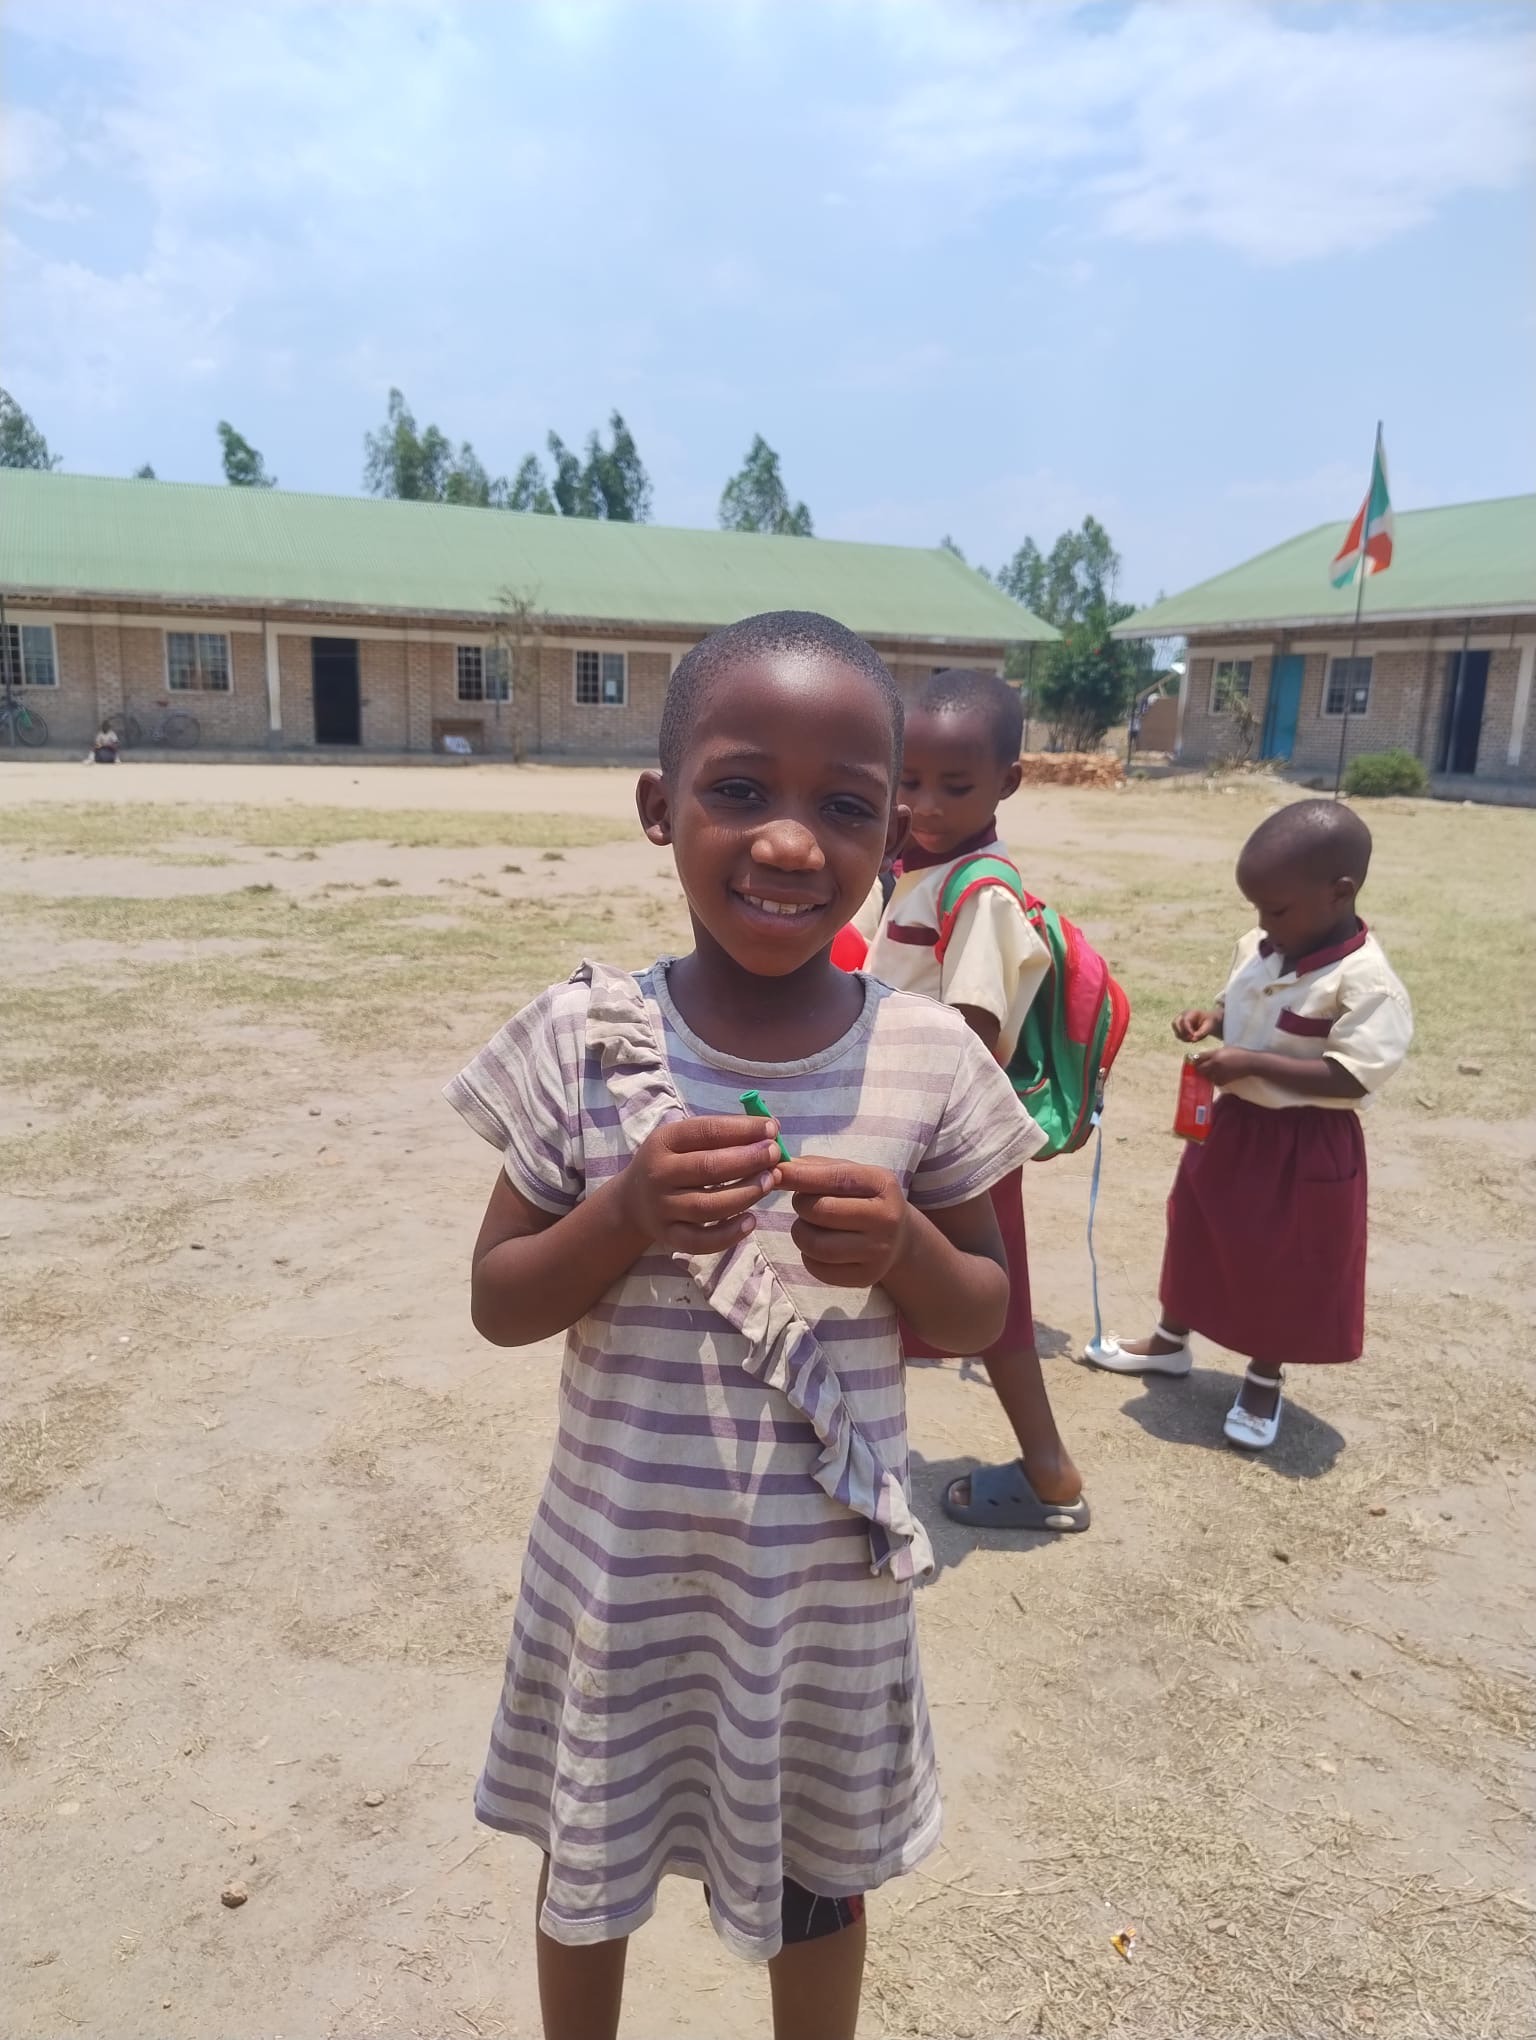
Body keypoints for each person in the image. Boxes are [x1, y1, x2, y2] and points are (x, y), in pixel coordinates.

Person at [446, 613, 1045, 2040]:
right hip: (622, 1574)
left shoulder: (927, 1056)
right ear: (660, 807)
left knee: (819, 1885)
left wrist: (904, 1247)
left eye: (844, 805)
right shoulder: (588, 1041)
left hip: (821, 1598)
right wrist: (624, 1215)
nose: (788, 841)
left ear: (894, 832)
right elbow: (499, 1300)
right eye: (738, 789)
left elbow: (986, 1306)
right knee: (587, 1866)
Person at [1086, 799, 1412, 1449]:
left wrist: (1252, 1062)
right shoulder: (1260, 948)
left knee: (1283, 1259)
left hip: (1305, 1142)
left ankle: (1264, 1378)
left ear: (1339, 892)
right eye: (1257, 909)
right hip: (1235, 1126)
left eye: (1277, 910)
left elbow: (1352, 1077)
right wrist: (1212, 1023)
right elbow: (1240, 1009)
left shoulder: (1366, 982)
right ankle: (1171, 1341)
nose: (1264, 923)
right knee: (1197, 1225)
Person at [860, 668, 1089, 1535]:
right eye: (908, 781)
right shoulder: (923, 866)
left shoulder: (981, 891)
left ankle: (1051, 1473)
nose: (924, 805)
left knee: (994, 1311)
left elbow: (975, 1034)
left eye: (954, 787)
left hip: (946, 1137)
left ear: (1008, 782)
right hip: (919, 1126)